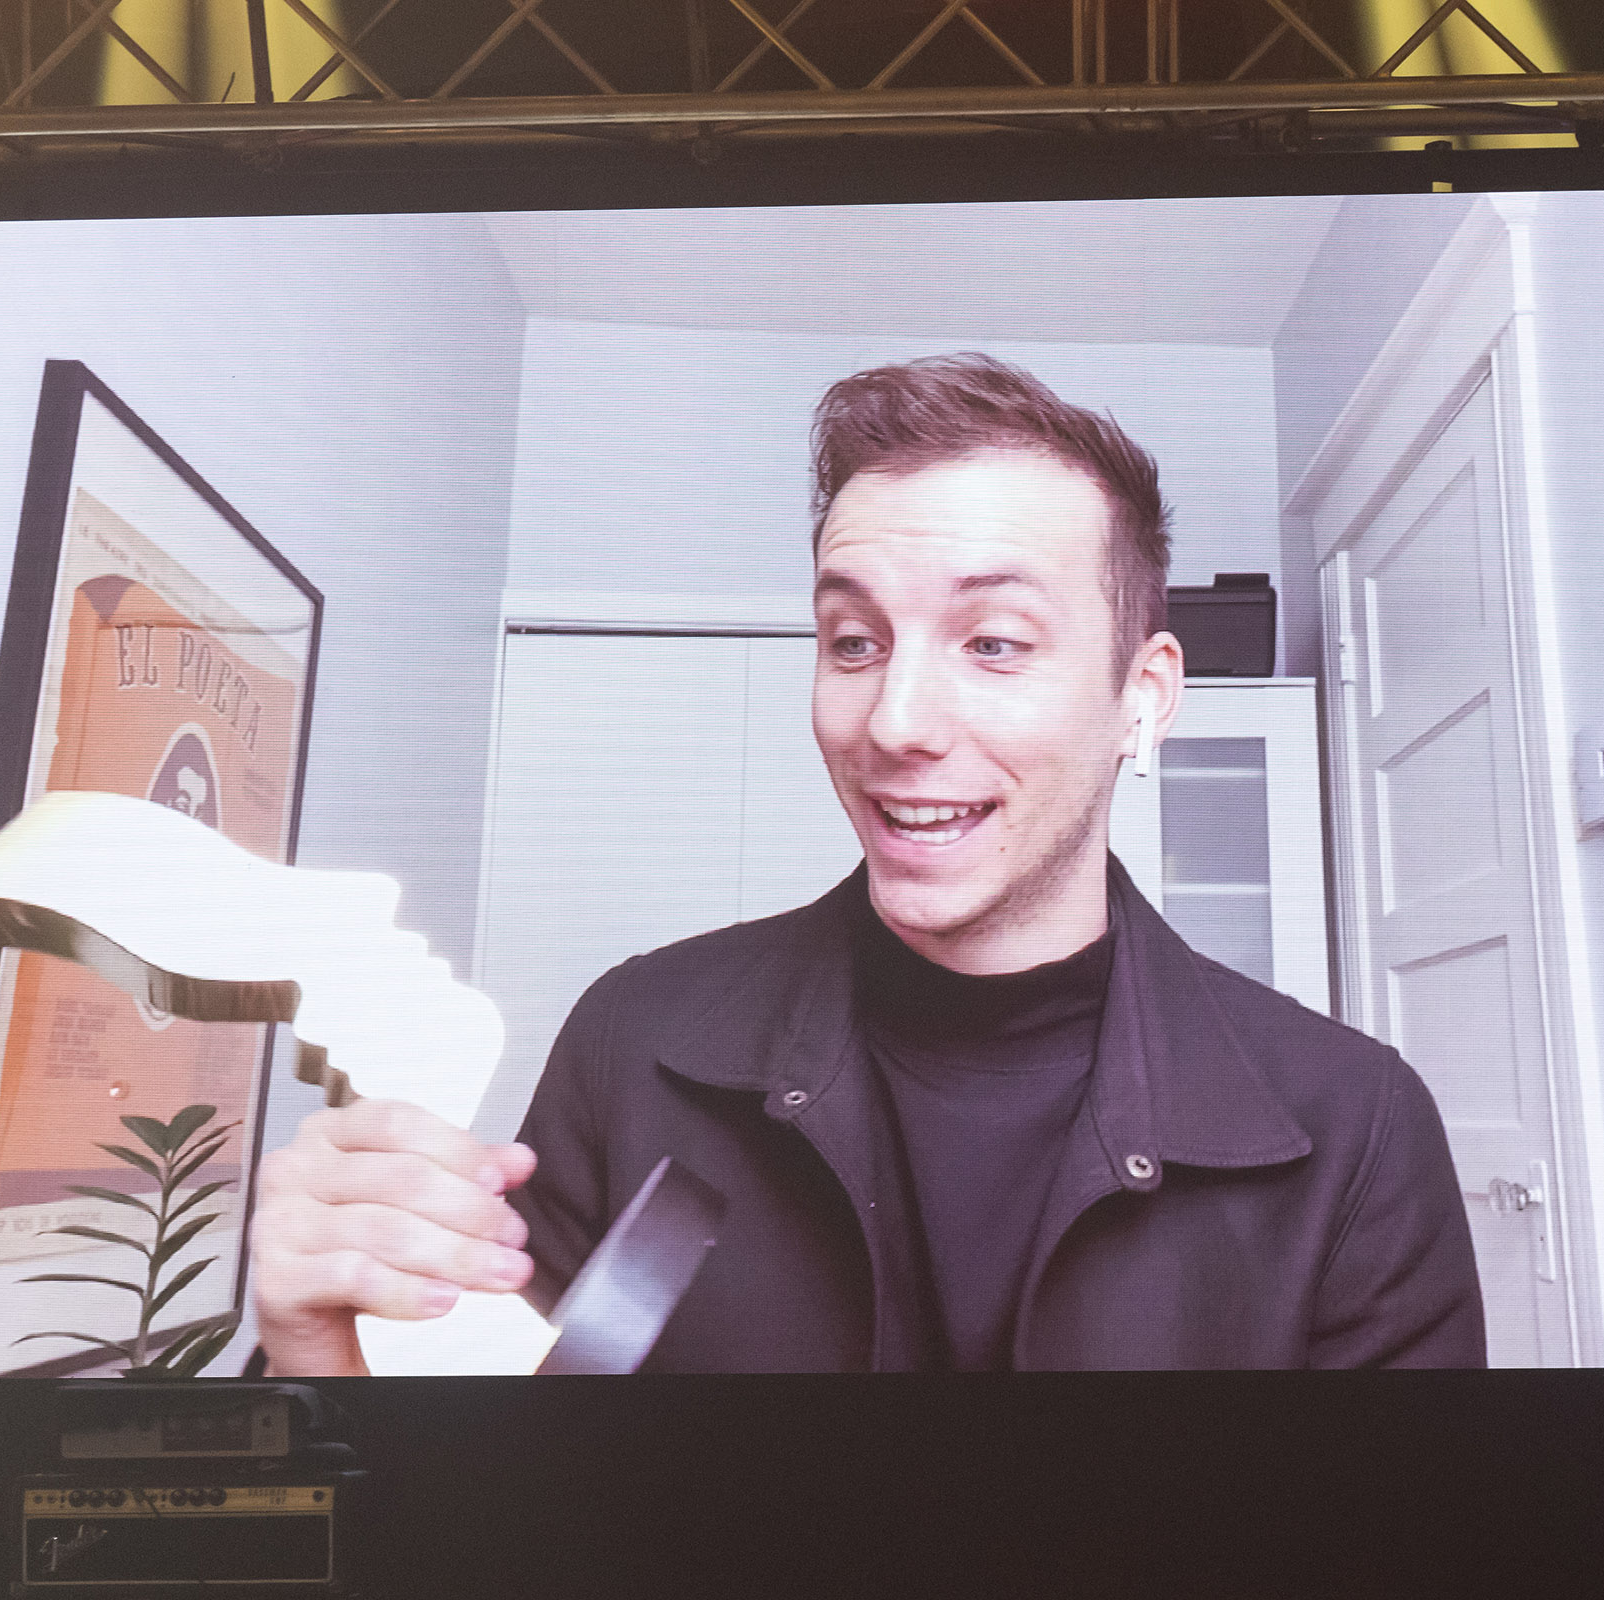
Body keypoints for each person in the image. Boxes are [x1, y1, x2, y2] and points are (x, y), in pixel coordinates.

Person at [250, 353, 1484, 1373]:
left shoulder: (1355, 1130)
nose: (893, 722)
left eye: (994, 643)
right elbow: (485, 1517)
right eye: (853, 640)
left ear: (1143, 696)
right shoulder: (636, 1041)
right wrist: (319, 1355)